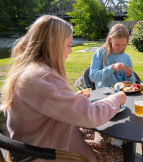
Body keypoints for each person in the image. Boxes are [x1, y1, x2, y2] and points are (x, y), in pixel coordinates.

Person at [0, 15, 126, 162]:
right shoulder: (42, 76)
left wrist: (70, 98)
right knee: (118, 153)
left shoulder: (28, 69)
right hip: (47, 154)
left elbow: (47, 102)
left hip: (35, 145)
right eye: (68, 45)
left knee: (103, 136)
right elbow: (91, 115)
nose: (70, 51)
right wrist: (117, 98)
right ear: (54, 44)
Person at [90, 23, 135, 89]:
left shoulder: (127, 57)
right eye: (117, 44)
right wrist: (112, 68)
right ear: (110, 39)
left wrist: (129, 75)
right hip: (104, 93)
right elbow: (93, 77)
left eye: (124, 44)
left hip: (121, 93)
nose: (121, 47)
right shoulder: (100, 53)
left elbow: (130, 83)